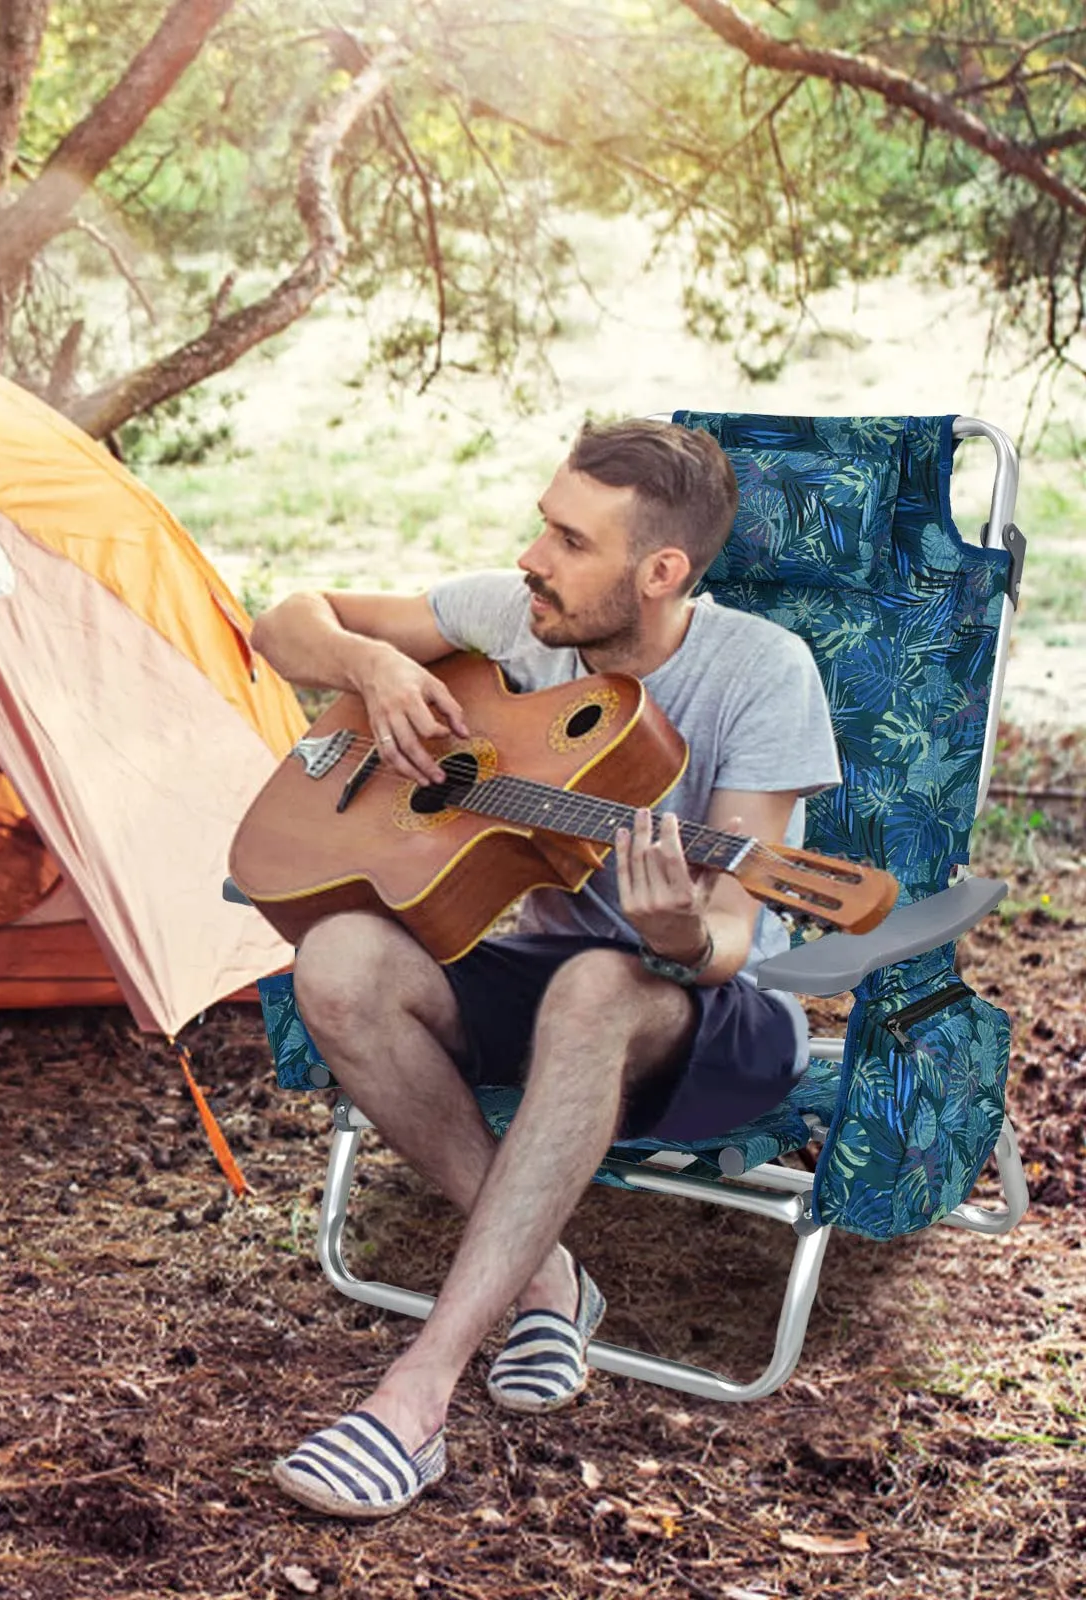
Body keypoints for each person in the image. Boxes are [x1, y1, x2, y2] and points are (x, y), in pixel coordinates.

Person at [249, 418, 841, 1519]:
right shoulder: (507, 621)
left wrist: (670, 935)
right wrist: (374, 667)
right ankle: (548, 1280)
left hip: (708, 1013)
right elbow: (284, 621)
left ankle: (413, 1400)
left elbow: (730, 934)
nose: (533, 557)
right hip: (522, 972)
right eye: (541, 526)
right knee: (335, 959)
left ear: (660, 572)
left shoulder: (761, 671)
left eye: (569, 540)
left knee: (600, 983)